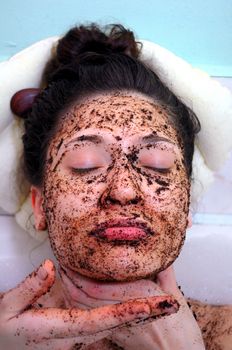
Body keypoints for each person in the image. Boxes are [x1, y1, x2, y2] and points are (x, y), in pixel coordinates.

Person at [0, 23, 231, 350]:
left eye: (157, 167)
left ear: (186, 205)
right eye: (86, 165)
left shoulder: (224, 330)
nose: (123, 190)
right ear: (41, 206)